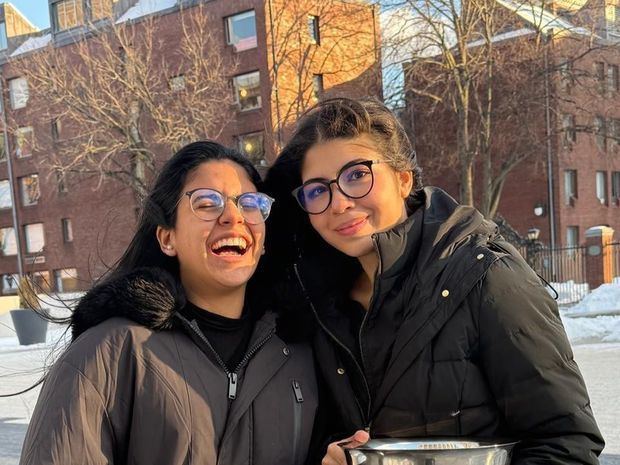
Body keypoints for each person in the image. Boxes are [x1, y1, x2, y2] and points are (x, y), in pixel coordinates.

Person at [263, 98, 604, 465]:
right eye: (317, 190)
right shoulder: (321, 303)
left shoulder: (484, 277)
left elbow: (568, 444)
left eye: (357, 175)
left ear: (403, 178)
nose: (339, 203)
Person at [19, 141, 318, 465]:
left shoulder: (296, 353)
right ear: (167, 238)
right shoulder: (112, 352)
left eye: (249, 203)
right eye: (207, 203)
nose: (233, 217)